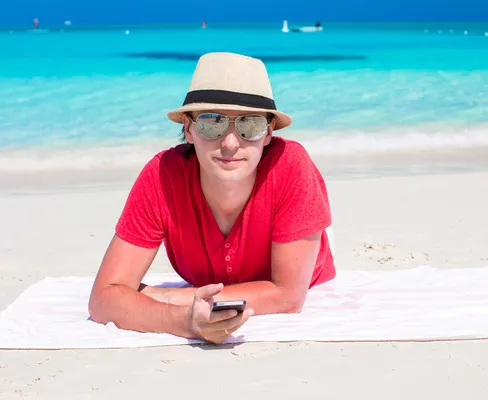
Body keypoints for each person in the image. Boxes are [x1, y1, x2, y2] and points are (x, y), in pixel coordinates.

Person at [88, 52, 336, 345]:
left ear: (269, 132)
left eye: (250, 124)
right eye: (212, 122)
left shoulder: (290, 166)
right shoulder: (162, 177)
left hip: (313, 284)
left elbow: (288, 296)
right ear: (189, 128)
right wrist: (186, 321)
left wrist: (169, 295)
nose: (230, 143)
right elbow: (103, 298)